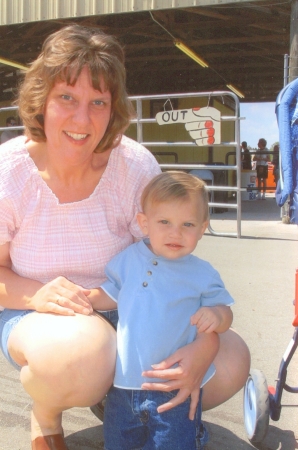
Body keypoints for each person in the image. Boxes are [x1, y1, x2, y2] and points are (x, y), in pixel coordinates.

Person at [0, 24, 250, 450]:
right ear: (41, 100)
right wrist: (36, 295)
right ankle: (46, 415)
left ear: (113, 108)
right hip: (41, 317)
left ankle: (126, 399)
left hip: (131, 310)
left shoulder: (133, 165)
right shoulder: (9, 172)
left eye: (98, 102)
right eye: (67, 98)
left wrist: (205, 347)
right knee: (83, 351)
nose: (83, 119)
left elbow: (168, 259)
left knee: (231, 360)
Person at [92, 171, 234, 450]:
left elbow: (225, 313)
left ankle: (192, 435)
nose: (175, 233)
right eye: (165, 222)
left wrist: (217, 316)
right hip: (123, 386)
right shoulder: (129, 258)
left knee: (172, 443)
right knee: (118, 443)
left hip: (175, 386)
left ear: (203, 228)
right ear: (144, 223)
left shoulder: (202, 273)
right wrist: (84, 298)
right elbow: (111, 293)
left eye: (188, 224)